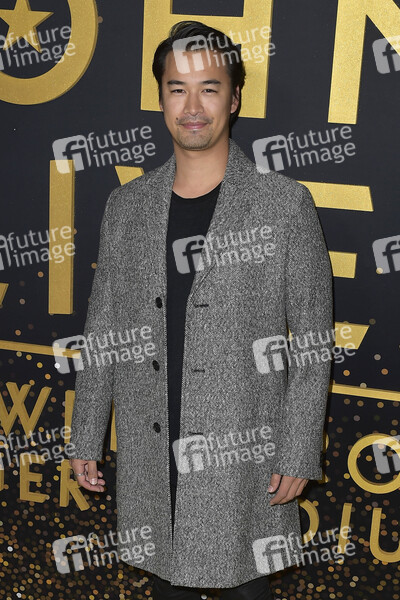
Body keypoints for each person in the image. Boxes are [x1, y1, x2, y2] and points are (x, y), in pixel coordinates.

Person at [69, 20, 333, 600]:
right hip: (152, 456)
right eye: (177, 89)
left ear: (234, 99)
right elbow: (103, 330)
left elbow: (313, 344)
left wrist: (297, 448)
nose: (192, 107)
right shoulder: (126, 206)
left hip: (246, 462)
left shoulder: (284, 205)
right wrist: (85, 436)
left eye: (209, 89)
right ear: (161, 97)